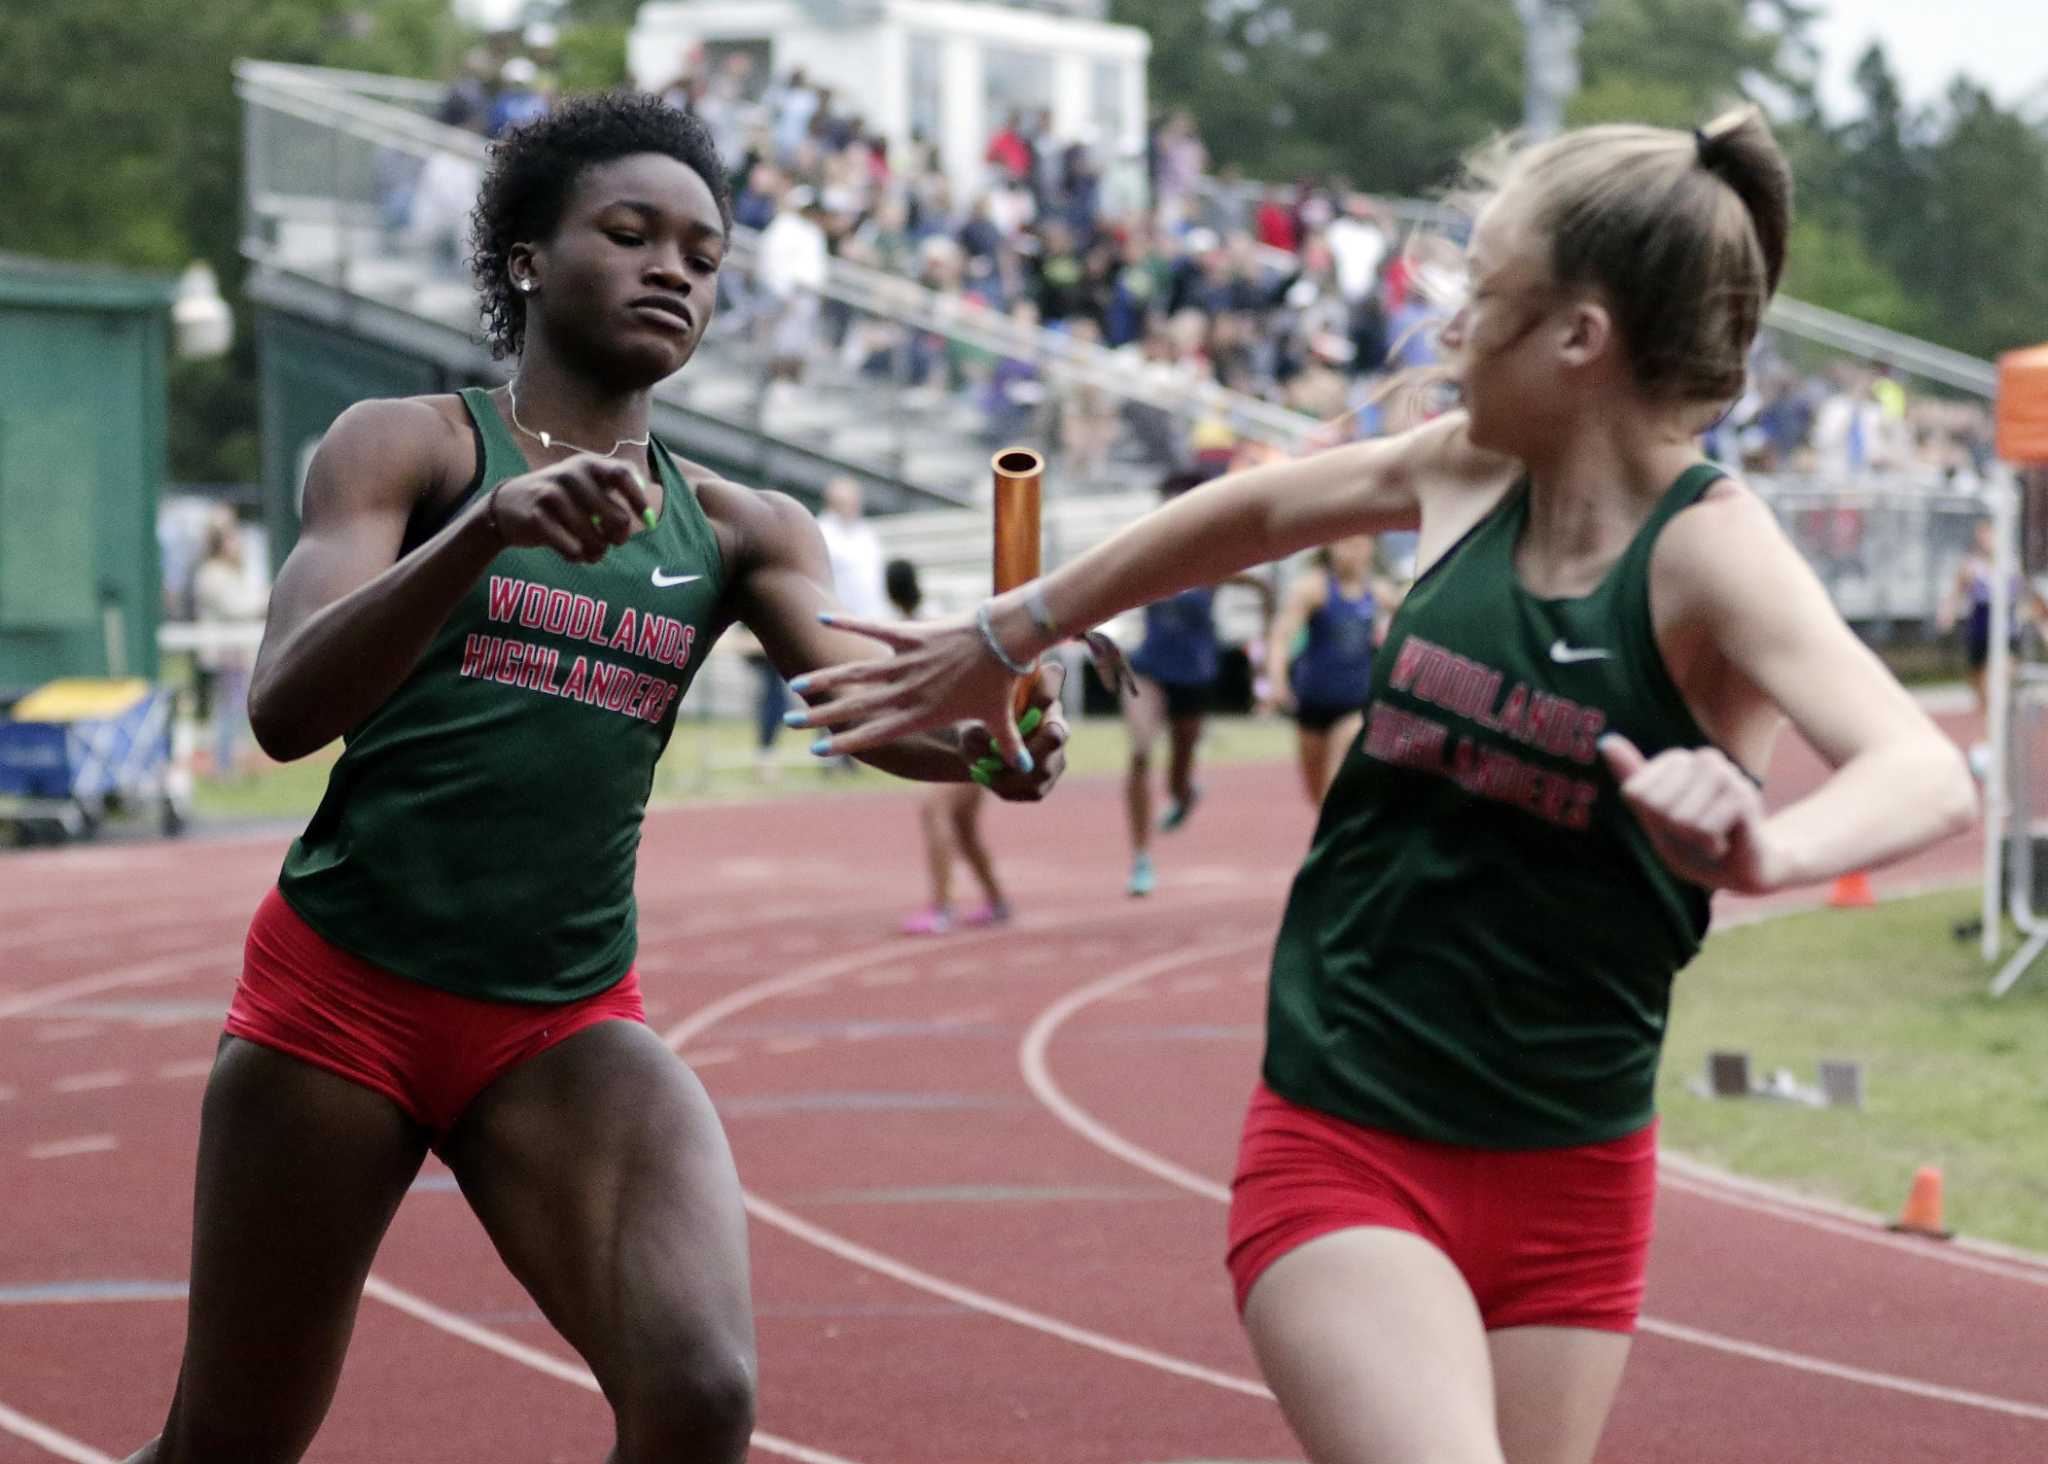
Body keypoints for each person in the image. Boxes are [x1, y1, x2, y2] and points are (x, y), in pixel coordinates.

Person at [785, 106, 1977, 1464]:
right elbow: (1254, 512)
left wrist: (1768, 846)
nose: (1441, 334)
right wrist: (1012, 628)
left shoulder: (1709, 555)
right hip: (1350, 1137)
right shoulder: (1469, 471)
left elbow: (1921, 771)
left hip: (1580, 1175)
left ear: (1580, 339)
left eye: (1481, 303)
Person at [122, 94, 1067, 1464]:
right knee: (228, 1447)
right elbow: (281, 710)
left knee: (700, 1392)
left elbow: (865, 711)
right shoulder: (409, 448)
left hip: (560, 1024)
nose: (673, 268)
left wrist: (995, 737)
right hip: (340, 1004)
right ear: (524, 258)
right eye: (630, 234)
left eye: (704, 252)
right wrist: (482, 537)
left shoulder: (745, 526)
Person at [1119, 469, 1271, 897]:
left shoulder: (1214, 561)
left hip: (1193, 678)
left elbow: (1261, 586)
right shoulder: (1144, 552)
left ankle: (1185, 795)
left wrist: (1266, 637)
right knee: (1140, 752)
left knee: (1177, 778)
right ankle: (1141, 858)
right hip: (1148, 670)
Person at [887, 558, 1012, 934]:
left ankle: (942, 907)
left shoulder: (918, 627)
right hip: (975, 728)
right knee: (964, 824)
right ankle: (997, 899)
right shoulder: (930, 619)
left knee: (935, 810)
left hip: (969, 733)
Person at [1262, 533, 1387, 804]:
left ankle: (1340, 842)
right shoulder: (1314, 589)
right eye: (1345, 544)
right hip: (1311, 702)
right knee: (1316, 795)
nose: (1351, 552)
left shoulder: (1378, 592)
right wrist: (1277, 680)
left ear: (1371, 548)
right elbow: (1281, 637)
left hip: (1353, 703)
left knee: (1335, 788)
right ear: (1330, 547)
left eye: (1359, 544)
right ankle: (1329, 839)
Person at [189, 508, 267, 781]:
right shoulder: (212, 573)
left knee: (235, 709)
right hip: (224, 655)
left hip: (235, 654)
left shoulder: (229, 571)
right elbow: (237, 607)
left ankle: (232, 762)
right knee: (229, 711)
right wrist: (268, 599)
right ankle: (224, 765)